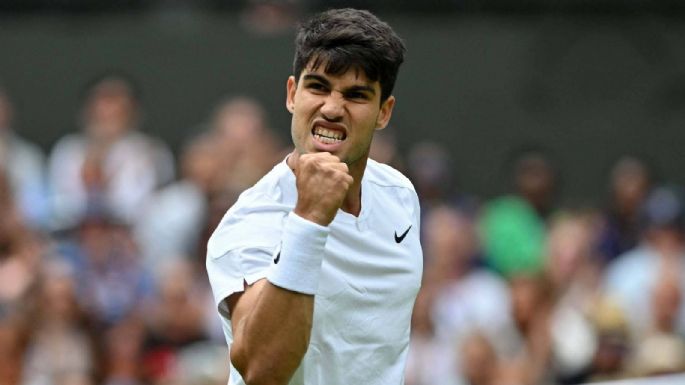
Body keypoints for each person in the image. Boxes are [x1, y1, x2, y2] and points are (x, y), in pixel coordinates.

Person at [206, 8, 422, 385]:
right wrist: (309, 219)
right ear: (292, 94)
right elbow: (261, 370)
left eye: (356, 95)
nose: (332, 108)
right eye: (318, 86)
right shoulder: (249, 224)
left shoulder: (400, 196)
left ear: (383, 113)